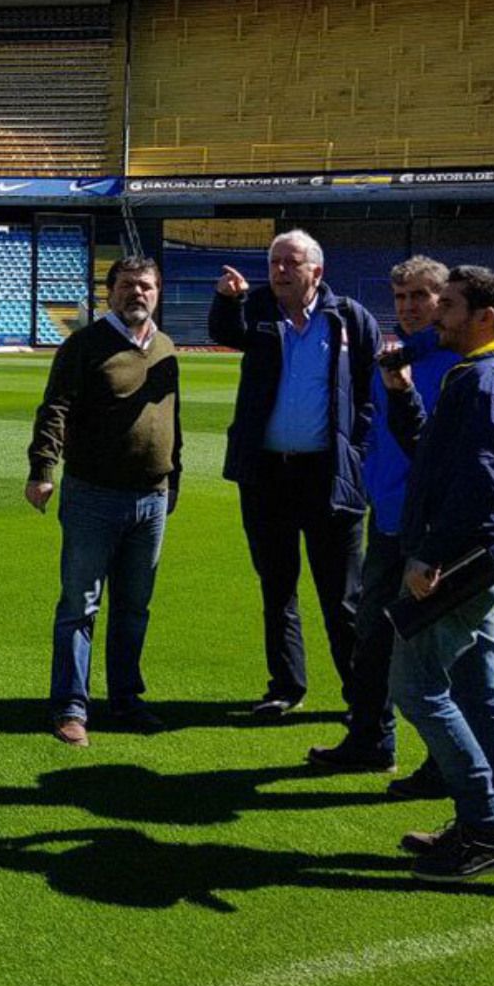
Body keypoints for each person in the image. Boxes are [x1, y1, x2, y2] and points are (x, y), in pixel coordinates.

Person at [381, 264, 494, 882]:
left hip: (461, 560)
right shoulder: (488, 376)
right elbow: (433, 456)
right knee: (478, 685)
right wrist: (401, 393)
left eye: (448, 304)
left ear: (484, 317)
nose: (436, 315)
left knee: (416, 685)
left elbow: (480, 484)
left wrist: (433, 556)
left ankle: (488, 830)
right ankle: (483, 821)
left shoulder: (486, 380)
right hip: (476, 555)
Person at [210, 229, 380, 719]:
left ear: (316, 272)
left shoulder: (349, 318)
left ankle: (361, 698)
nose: (280, 271)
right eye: (274, 262)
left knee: (343, 598)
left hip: (329, 477)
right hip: (266, 476)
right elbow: (225, 333)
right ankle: (286, 686)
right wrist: (226, 301)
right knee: (277, 588)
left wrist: (357, 449)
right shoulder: (258, 308)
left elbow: (370, 394)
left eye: (291, 263)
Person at [308, 257, 459, 798]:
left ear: (445, 300)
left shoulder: (460, 362)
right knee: (370, 638)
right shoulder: (391, 358)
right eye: (400, 298)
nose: (409, 307)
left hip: (434, 531)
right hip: (388, 520)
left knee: (436, 654)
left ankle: (449, 764)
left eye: (420, 296)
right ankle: (371, 739)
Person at [26, 256, 182, 745]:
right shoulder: (85, 345)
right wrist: (42, 470)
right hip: (94, 495)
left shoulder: (166, 347)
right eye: (129, 285)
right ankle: (72, 707)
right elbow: (55, 407)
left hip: (152, 498)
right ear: (109, 291)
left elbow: (172, 418)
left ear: (157, 293)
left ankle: (126, 699)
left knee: (135, 607)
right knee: (80, 606)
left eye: (147, 286)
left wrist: (174, 475)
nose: (138, 293)